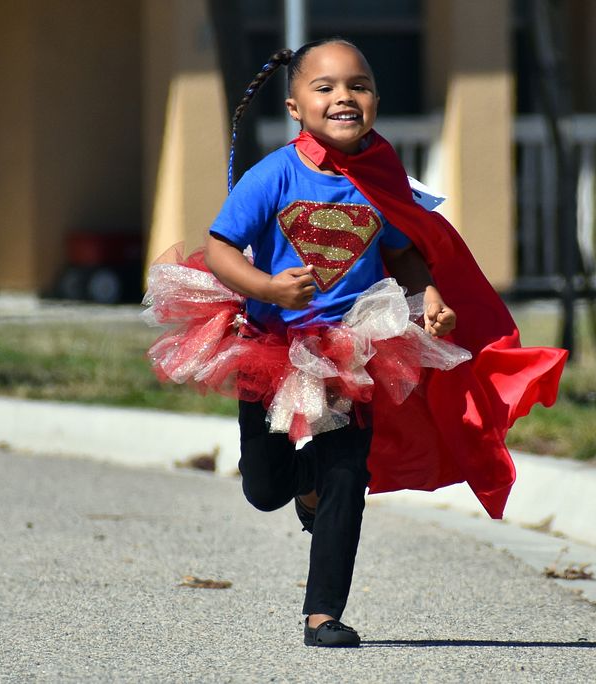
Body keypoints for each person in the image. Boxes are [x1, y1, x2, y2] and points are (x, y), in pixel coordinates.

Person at [142, 39, 567, 647]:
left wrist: (429, 298)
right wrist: (268, 287)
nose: (344, 97)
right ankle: (301, 479)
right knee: (266, 488)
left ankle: (323, 614)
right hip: (273, 343)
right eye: (326, 87)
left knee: (349, 473)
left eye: (359, 86)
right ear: (295, 106)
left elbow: (402, 249)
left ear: (373, 98)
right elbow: (220, 249)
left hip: (356, 347)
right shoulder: (276, 173)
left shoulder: (381, 177)